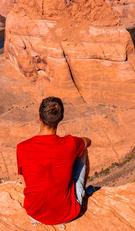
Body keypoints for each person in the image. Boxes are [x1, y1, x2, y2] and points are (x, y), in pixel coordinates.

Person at [16, 97, 92, 226]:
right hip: (68, 214)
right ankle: (82, 192)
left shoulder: (22, 147)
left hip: (34, 214)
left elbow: (23, 177)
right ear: (61, 118)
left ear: (39, 116)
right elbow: (88, 142)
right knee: (82, 151)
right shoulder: (70, 143)